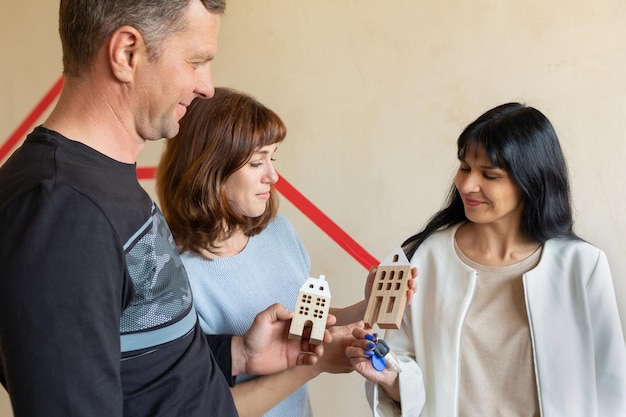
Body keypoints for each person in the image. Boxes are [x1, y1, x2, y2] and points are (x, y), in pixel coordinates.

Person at [0, 2, 331, 417]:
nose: (206, 86)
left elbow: (139, 354)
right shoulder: (61, 210)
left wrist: (239, 355)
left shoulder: (103, 184)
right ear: (127, 54)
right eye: (196, 62)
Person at [346, 102, 626, 417]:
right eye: (464, 167)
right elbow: (404, 368)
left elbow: (611, 387)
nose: (466, 185)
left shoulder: (582, 266)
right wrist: (389, 376)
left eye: (489, 174)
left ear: (530, 180)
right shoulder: (423, 258)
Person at [156, 87, 417, 417]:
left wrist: (368, 307)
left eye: (272, 158)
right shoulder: (176, 277)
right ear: (209, 169)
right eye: (256, 162)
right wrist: (315, 365)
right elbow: (205, 407)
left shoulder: (277, 231)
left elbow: (303, 323)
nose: (273, 175)